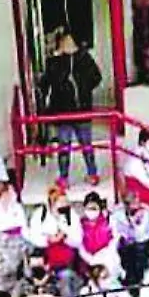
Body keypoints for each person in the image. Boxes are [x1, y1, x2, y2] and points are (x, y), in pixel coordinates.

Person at [37, 30, 102, 184]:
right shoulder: (61, 61)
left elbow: (96, 78)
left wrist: (84, 89)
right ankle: (69, 176)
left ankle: (86, 174)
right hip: (68, 111)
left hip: (74, 110)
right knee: (69, 146)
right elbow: (44, 84)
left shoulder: (80, 59)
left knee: (79, 145)